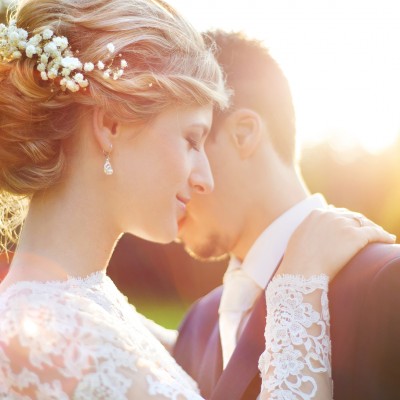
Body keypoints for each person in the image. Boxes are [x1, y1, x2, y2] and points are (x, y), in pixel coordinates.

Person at [0, 2, 395, 398]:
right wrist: (298, 282)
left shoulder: (106, 311)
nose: (205, 177)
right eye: (191, 139)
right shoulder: (37, 333)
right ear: (110, 124)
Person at [174, 30, 400, 400]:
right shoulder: (197, 324)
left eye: (188, 142)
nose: (170, 180)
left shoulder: (388, 281)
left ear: (243, 134)